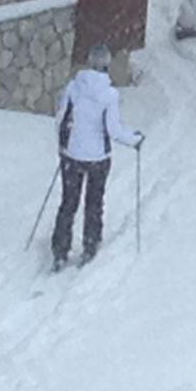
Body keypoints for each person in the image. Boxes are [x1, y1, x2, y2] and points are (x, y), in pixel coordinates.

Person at [51, 44, 144, 271]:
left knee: (68, 202)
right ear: (106, 65)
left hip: (72, 156)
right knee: (93, 202)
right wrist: (135, 139)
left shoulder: (74, 87)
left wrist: (64, 145)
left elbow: (61, 118)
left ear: (89, 61)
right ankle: (90, 246)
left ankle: (60, 250)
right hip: (97, 159)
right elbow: (113, 130)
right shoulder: (108, 95)